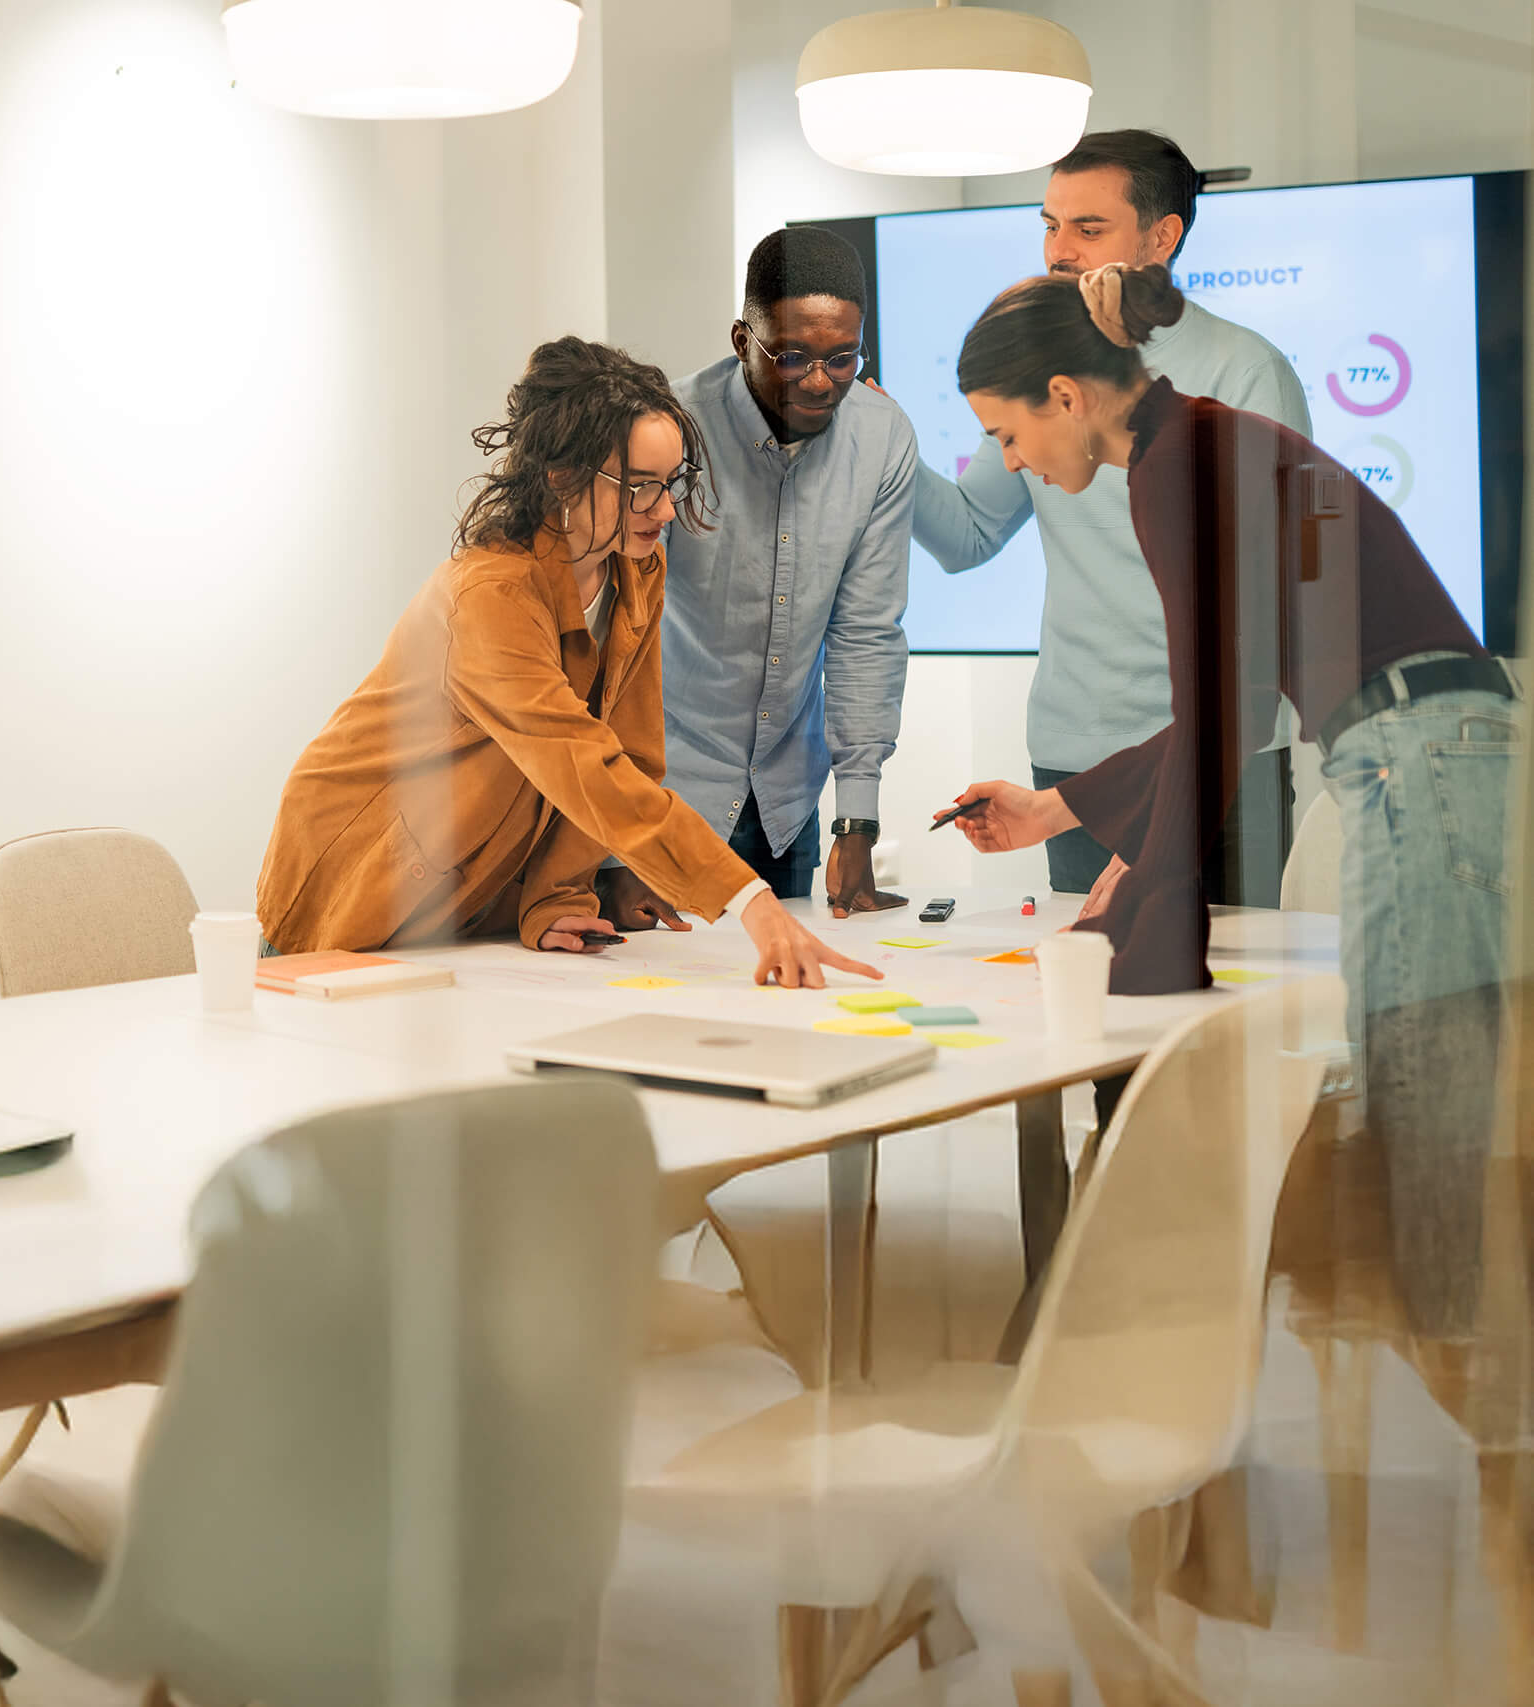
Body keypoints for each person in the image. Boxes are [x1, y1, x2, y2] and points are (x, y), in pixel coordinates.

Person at [939, 262, 1522, 1340]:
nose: (1012, 461)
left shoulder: (1174, 467)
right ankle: (1441, 1375)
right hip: (1438, 741)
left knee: (1423, 1082)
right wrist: (1066, 816)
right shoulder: (1205, 442)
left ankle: (1472, 1410)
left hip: (1411, 748)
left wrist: (1142, 883)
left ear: (1064, 396)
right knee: (1424, 1074)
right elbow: (1238, 696)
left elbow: (1215, 707)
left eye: (1007, 436)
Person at [257, 336, 880, 990]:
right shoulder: (488, 597)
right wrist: (747, 898)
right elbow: (582, 761)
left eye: (672, 484)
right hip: (357, 879)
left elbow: (630, 752)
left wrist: (556, 895)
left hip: (461, 900)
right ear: (561, 475)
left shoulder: (634, 566)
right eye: (640, 487)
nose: (664, 510)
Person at [912, 129, 1312, 912]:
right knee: (1098, 990)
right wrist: (876, 441)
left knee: (1227, 991)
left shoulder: (1244, 372)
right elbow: (964, 535)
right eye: (1048, 224)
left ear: (1160, 238)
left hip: (1223, 750)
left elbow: (1273, 596)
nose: (1058, 251)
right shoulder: (1037, 368)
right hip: (1075, 747)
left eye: (1087, 229)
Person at [597, 226, 914, 933]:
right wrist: (607, 852)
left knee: (785, 1013)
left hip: (784, 802)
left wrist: (854, 820)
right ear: (742, 339)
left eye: (842, 357)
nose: (818, 379)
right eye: (792, 355)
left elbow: (864, 632)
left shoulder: (883, 437)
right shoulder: (669, 429)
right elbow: (612, 637)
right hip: (664, 796)